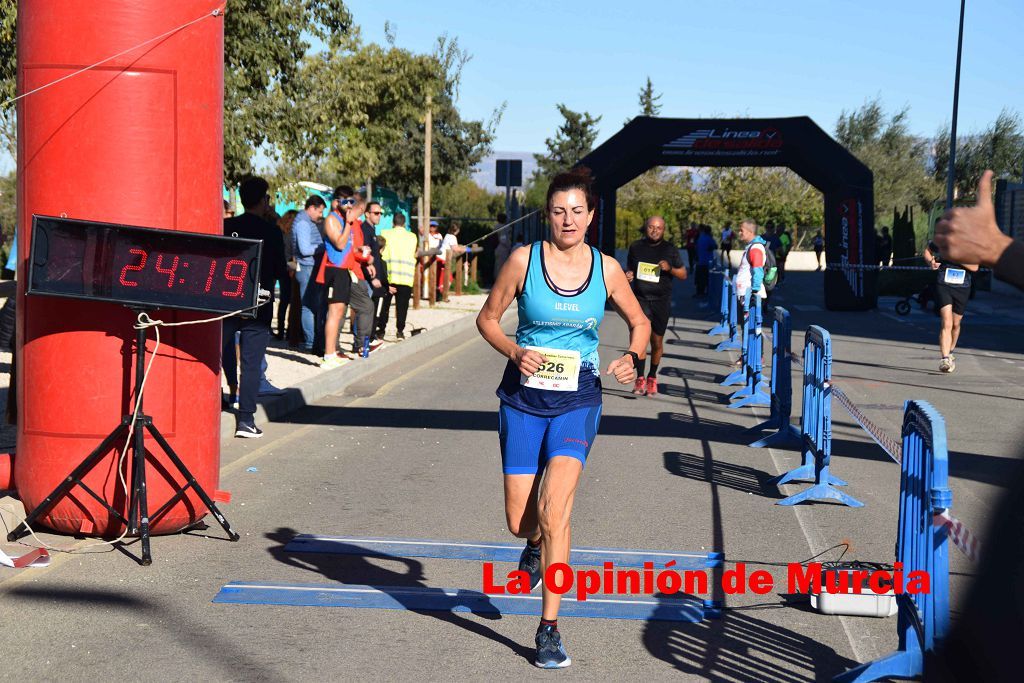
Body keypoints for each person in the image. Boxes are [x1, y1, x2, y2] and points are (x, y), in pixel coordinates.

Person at [476, 167, 650, 669]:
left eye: (577, 211)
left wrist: (633, 357)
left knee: (557, 509)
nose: (568, 219)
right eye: (558, 211)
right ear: (546, 215)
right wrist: (513, 350)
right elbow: (487, 318)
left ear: (591, 216)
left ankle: (549, 627)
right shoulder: (523, 260)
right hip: (523, 399)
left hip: (579, 399)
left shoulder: (608, 269)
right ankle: (532, 543)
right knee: (521, 521)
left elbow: (639, 322)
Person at [222, 176, 288, 438]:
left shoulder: (227, 226)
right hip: (259, 302)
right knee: (251, 362)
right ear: (264, 200)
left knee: (221, 350)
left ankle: (227, 393)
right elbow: (281, 270)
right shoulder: (272, 232)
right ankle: (246, 420)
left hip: (226, 298)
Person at [625, 215, 687, 396]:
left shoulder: (669, 249)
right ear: (646, 228)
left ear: (663, 230)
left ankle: (652, 376)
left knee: (656, 341)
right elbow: (630, 270)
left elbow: (683, 274)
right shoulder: (636, 247)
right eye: (651, 227)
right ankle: (640, 378)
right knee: (640, 340)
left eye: (658, 228)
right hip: (640, 299)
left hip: (661, 301)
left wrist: (670, 268)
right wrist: (628, 275)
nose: (654, 230)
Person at [933, 170, 1024, 291]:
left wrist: (993, 247)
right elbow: (930, 250)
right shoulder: (941, 244)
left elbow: (974, 267)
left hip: (962, 286)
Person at [923, 240, 976, 374]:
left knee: (956, 324)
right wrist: (931, 262)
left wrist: (956, 257)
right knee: (946, 322)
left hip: (963, 287)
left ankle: (950, 352)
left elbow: (975, 267)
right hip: (943, 284)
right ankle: (945, 359)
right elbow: (927, 251)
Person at [291, 195, 327, 352]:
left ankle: (311, 340)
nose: (320, 215)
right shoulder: (304, 224)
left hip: (308, 267)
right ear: (311, 208)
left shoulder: (305, 221)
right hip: (307, 267)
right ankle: (310, 342)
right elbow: (305, 249)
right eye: (319, 211)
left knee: (310, 305)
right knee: (308, 306)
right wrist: (324, 247)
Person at [379, 212, 418, 340]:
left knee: (384, 306)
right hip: (406, 278)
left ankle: (381, 330)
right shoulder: (412, 237)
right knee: (402, 307)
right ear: (405, 224)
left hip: (388, 277)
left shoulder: (385, 233)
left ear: (393, 223)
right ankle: (400, 331)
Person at [275, 210, 298, 340]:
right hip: (291, 267)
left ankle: (280, 329)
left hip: (282, 268)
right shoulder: (292, 235)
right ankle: (290, 330)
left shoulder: (280, 233)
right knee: (293, 300)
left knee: (283, 301)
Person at [695, 224, 717, 297]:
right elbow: (715, 246)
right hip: (707, 262)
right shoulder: (709, 238)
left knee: (699, 278)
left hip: (700, 261)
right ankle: (707, 292)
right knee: (707, 278)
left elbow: (697, 248)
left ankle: (699, 292)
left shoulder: (700, 237)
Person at [493, 212, 511, 281]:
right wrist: (509, 247)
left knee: (497, 266)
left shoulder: (496, 227)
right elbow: (503, 240)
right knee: (501, 267)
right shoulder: (502, 228)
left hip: (497, 248)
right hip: (502, 249)